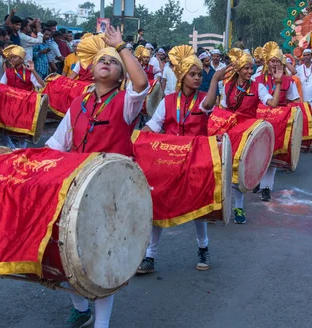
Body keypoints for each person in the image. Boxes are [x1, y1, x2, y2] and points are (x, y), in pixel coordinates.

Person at [45, 25, 148, 328]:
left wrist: (120, 46)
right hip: (75, 188)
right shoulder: (77, 104)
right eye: (102, 59)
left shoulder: (126, 104)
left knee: (102, 259)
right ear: (91, 68)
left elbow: (141, 83)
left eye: (113, 62)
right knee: (64, 251)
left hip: (112, 192)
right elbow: (56, 145)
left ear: (120, 75)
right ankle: (80, 308)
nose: (107, 63)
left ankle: (101, 324)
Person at [138, 45, 224, 274]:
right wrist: (138, 137)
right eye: (193, 74)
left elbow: (209, 105)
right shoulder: (167, 102)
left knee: (198, 206)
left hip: (196, 161)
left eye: (198, 75)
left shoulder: (204, 99)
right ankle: (150, 256)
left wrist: (214, 78)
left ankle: (203, 247)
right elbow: (153, 126)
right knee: (158, 203)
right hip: (168, 161)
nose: (197, 78)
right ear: (182, 76)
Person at [223, 48, 284, 222]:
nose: (250, 71)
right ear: (238, 69)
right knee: (223, 170)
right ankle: (220, 206)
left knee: (239, 172)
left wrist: (278, 83)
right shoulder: (228, 86)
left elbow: (273, 103)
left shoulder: (258, 87)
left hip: (246, 135)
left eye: (251, 68)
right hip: (227, 133)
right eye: (246, 68)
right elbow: (222, 110)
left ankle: (239, 208)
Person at [253, 42, 300, 201]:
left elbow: (295, 100)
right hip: (259, 121)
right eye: (272, 61)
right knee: (258, 153)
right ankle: (258, 180)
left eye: (278, 61)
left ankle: (267, 188)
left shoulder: (288, 81)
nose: (275, 64)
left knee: (273, 155)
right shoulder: (257, 79)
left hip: (279, 122)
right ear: (267, 62)